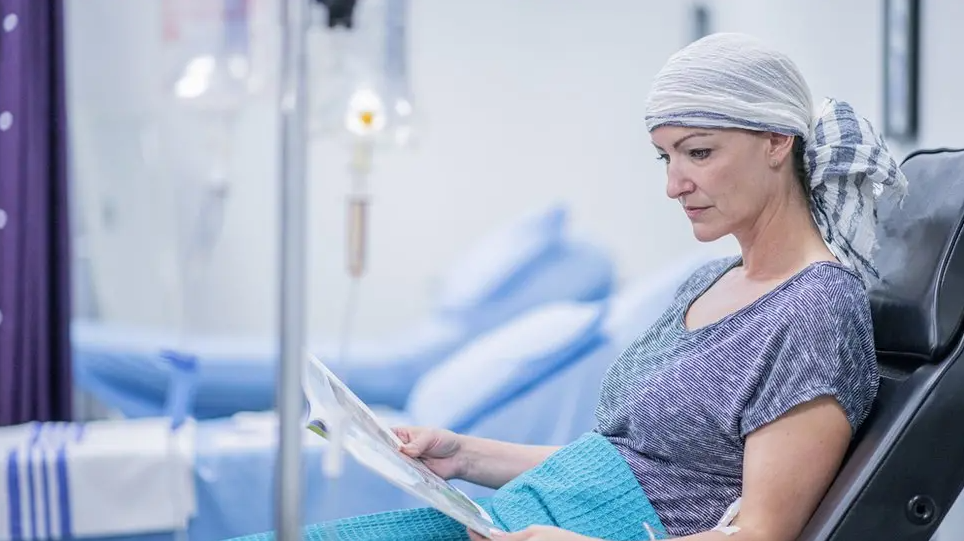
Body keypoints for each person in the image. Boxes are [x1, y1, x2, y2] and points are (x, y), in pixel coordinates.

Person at [230, 32, 908, 541]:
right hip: (510, 520)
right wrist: (464, 453)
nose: (674, 184)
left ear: (776, 142)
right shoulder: (710, 280)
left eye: (698, 152)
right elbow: (626, 460)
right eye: (665, 157)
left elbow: (762, 534)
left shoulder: (818, 305)